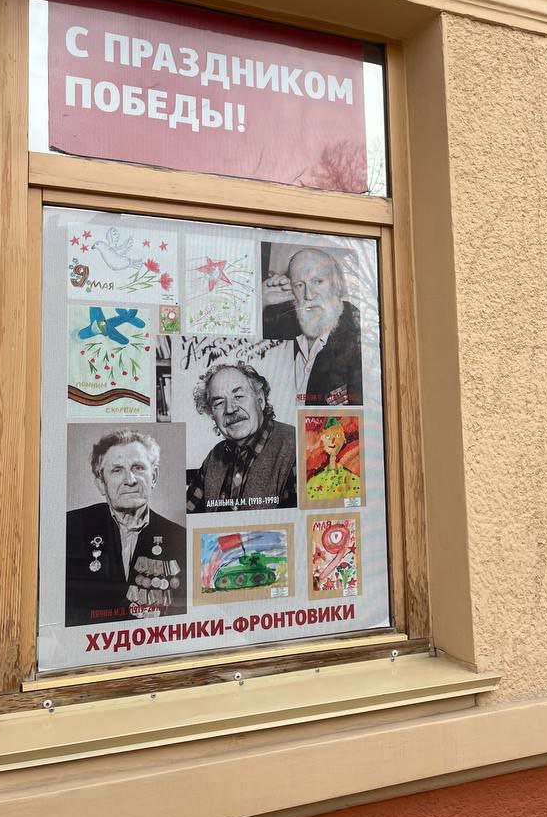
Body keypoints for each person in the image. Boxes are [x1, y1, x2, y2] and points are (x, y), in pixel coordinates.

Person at [66, 430, 186, 626]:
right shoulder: (70, 528)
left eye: (138, 468)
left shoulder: (180, 538)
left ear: (154, 477)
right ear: (101, 484)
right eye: (117, 470)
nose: (130, 480)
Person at [187, 362, 297, 513]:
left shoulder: (296, 447)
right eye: (219, 402)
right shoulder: (214, 457)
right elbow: (187, 516)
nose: (230, 409)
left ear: (260, 400)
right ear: (212, 414)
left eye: (238, 396)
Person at [262, 247, 363, 405]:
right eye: (300, 285)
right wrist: (260, 302)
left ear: (337, 284)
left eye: (318, 281)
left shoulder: (360, 338)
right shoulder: (280, 328)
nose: (308, 295)